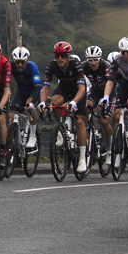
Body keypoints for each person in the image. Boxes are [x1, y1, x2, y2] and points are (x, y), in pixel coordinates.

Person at [39, 41, 89, 174]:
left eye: (62, 55)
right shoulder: (52, 66)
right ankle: (61, 128)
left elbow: (82, 88)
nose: (60, 59)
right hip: (64, 89)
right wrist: (43, 102)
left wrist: (73, 102)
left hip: (78, 91)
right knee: (55, 102)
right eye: (57, 55)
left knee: (79, 121)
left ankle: (83, 158)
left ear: (68, 55)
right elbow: (45, 87)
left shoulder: (76, 65)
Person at [81, 46, 115, 167]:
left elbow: (109, 83)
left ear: (100, 58)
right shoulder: (83, 66)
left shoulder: (106, 66)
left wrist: (104, 100)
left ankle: (110, 149)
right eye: (90, 60)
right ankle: (86, 129)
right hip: (95, 91)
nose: (93, 63)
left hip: (109, 93)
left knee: (104, 121)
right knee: (86, 106)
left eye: (96, 60)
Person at [9, 46, 42, 152]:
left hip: (33, 91)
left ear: (27, 61)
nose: (19, 65)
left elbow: (37, 87)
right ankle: (17, 144)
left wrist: (33, 102)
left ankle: (33, 136)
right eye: (17, 62)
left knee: (29, 106)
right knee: (11, 117)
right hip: (21, 92)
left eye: (22, 62)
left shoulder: (32, 67)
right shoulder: (10, 66)